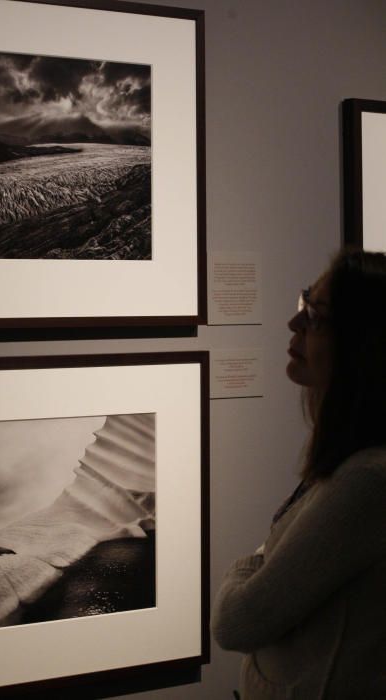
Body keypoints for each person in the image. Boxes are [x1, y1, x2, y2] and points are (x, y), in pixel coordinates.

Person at [211, 249, 386, 699]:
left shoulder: (369, 482)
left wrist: (254, 560)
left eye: (315, 315)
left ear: (362, 341)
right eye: (303, 303)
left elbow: (237, 621)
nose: (294, 326)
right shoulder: (353, 461)